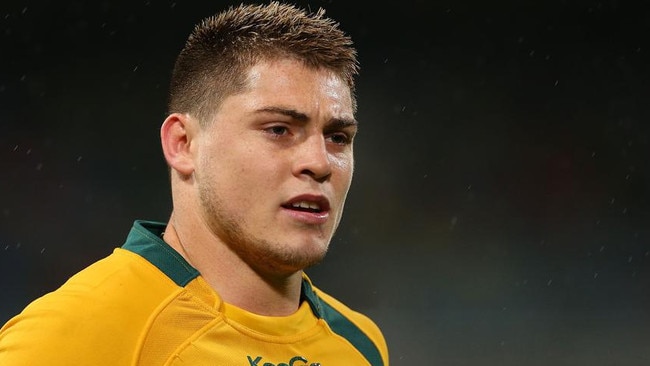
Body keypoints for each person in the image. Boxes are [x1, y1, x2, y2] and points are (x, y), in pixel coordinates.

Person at [0, 2, 389, 365]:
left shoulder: (360, 344)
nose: (319, 163)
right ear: (183, 144)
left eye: (338, 138)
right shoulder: (74, 337)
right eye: (278, 129)